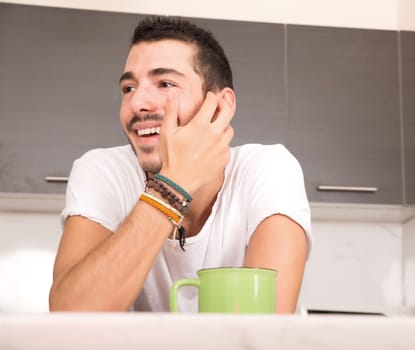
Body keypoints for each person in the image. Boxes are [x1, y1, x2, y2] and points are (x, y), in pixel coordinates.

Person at [49, 16, 312, 313]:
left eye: (165, 83)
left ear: (220, 106)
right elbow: (70, 317)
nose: (138, 103)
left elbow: (264, 332)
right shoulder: (101, 171)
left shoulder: (269, 169)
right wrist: (172, 186)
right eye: (129, 88)